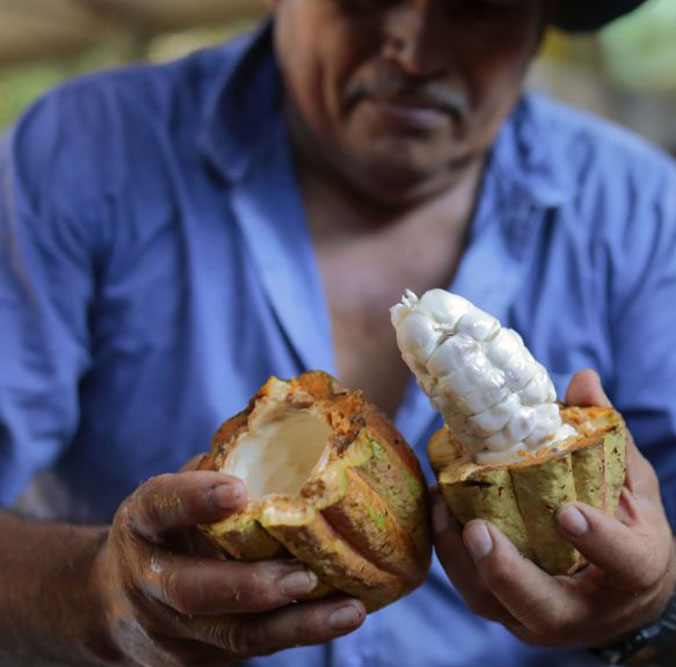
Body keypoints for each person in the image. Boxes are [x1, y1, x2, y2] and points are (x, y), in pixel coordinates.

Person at [0, 0, 674, 665]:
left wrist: (647, 613)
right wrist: (95, 591)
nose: (413, 52)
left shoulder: (639, 213)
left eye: (482, 8)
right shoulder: (79, 151)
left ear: (539, 24)